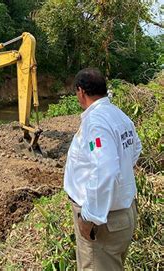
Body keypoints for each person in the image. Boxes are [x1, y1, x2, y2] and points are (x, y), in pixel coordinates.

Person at [64, 68, 142, 270]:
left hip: (103, 223)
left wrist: (90, 216)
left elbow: (105, 170)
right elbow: (135, 148)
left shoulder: (96, 122)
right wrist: (121, 173)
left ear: (80, 92)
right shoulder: (118, 115)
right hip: (121, 215)